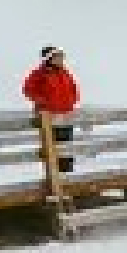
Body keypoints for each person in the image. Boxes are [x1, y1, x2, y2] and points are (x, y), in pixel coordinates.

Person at [22, 45, 81, 173]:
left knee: (67, 147)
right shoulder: (40, 73)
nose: (61, 59)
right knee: (53, 148)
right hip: (49, 117)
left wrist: (73, 100)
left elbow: (74, 88)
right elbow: (27, 89)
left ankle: (67, 176)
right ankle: (55, 178)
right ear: (49, 58)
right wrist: (44, 103)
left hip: (66, 116)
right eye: (57, 56)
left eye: (61, 56)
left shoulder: (64, 72)